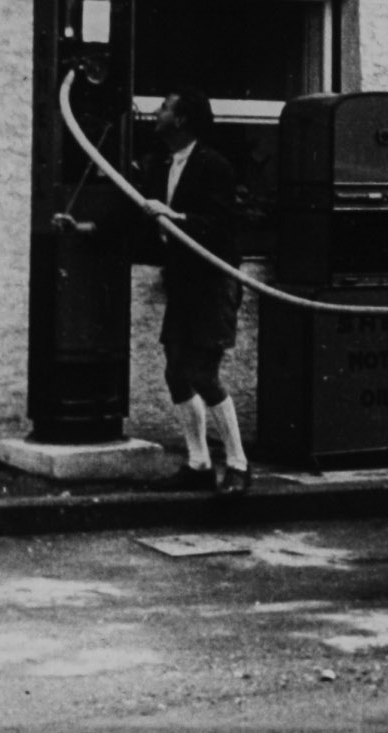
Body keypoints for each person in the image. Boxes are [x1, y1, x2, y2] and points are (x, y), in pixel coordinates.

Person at [141, 87, 250, 497]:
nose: (157, 112)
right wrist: (84, 229)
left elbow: (221, 227)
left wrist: (174, 216)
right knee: (175, 371)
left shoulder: (213, 166)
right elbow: (137, 219)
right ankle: (199, 463)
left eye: (165, 107)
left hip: (214, 281)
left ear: (182, 119)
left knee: (203, 373)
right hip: (184, 283)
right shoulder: (162, 164)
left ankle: (238, 465)